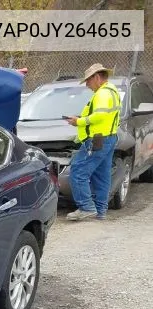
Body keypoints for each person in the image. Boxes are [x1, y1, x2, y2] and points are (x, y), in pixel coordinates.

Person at [65, 64, 122, 221]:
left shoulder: (102, 94)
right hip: (108, 137)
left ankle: (86, 207)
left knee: (78, 171)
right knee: (102, 175)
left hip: (98, 139)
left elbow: (100, 116)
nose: (86, 85)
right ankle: (100, 210)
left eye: (88, 81)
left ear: (97, 77)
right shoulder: (112, 90)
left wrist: (79, 122)